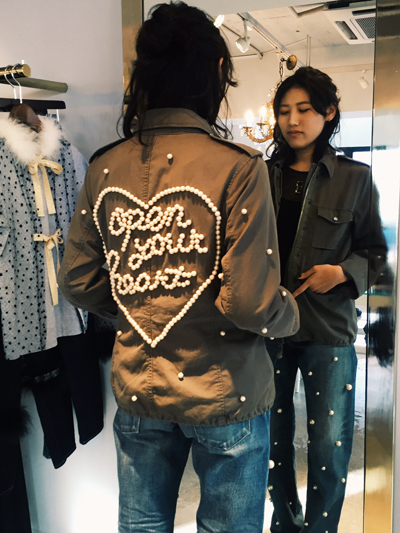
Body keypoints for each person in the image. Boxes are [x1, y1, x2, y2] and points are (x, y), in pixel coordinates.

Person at [58, 2, 299, 532]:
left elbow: (76, 279)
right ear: (216, 71)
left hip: (140, 388)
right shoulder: (240, 168)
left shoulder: (104, 167)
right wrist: (291, 313)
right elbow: (250, 303)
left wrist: (138, 300)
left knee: (141, 525)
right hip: (226, 390)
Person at [265, 66, 386, 533]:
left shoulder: (356, 178)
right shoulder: (260, 176)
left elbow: (375, 252)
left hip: (329, 330)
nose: (292, 120)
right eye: (283, 111)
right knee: (271, 445)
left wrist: (341, 273)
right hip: (267, 330)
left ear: (329, 112)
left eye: (304, 109)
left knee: (329, 447)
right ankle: (284, 522)